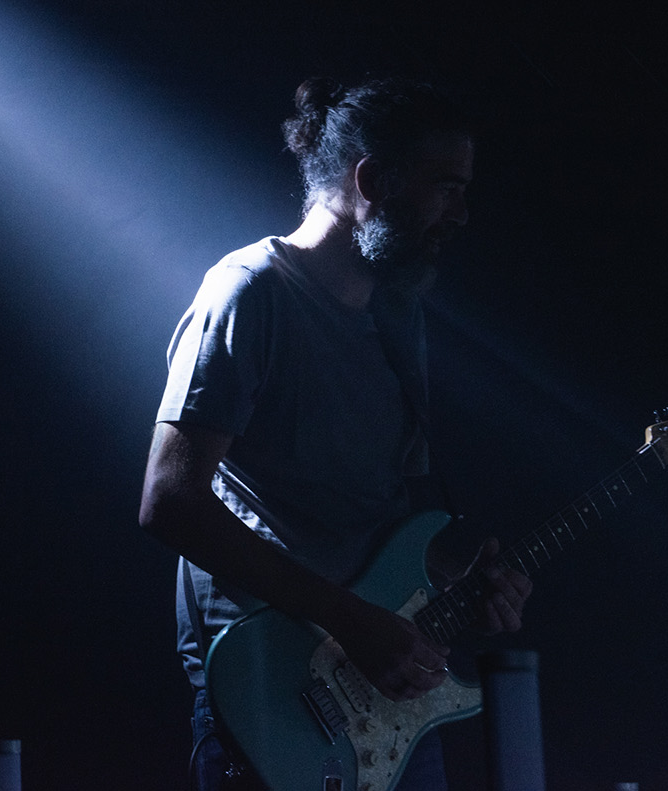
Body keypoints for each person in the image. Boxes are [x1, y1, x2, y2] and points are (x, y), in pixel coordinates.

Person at [138, 77, 533, 790]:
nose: (462, 213)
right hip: (273, 702)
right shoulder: (248, 292)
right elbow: (169, 499)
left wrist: (464, 586)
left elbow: (375, 527)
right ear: (372, 180)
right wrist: (350, 619)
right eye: (445, 188)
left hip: (387, 706)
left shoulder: (396, 317)